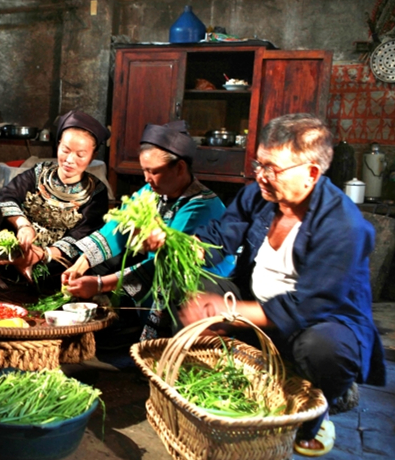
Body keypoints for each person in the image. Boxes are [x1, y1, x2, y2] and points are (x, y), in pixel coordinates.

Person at [174, 114, 386, 457]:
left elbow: (309, 306)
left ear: (312, 173)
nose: (260, 175)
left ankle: (322, 404)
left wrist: (228, 311)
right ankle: (245, 376)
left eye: (273, 168)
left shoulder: (344, 226)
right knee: (196, 283)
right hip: (258, 306)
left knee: (324, 348)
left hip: (317, 322)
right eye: (259, 163)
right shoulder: (258, 196)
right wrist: (174, 244)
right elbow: (217, 239)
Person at [61, 121, 234, 340]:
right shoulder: (151, 192)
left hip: (197, 291)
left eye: (153, 172)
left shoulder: (202, 206)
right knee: (103, 262)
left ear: (180, 168)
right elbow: (117, 228)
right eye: (144, 170)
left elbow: (166, 263)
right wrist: (81, 263)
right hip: (154, 282)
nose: (146, 179)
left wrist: (99, 285)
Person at [0, 110, 110, 286]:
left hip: (58, 269)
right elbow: (7, 196)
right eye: (65, 150)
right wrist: (23, 225)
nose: (70, 160)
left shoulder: (96, 194)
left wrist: (43, 254)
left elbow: (82, 237)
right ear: (58, 145)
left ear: (93, 155)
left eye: (80, 155)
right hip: (14, 259)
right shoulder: (37, 173)